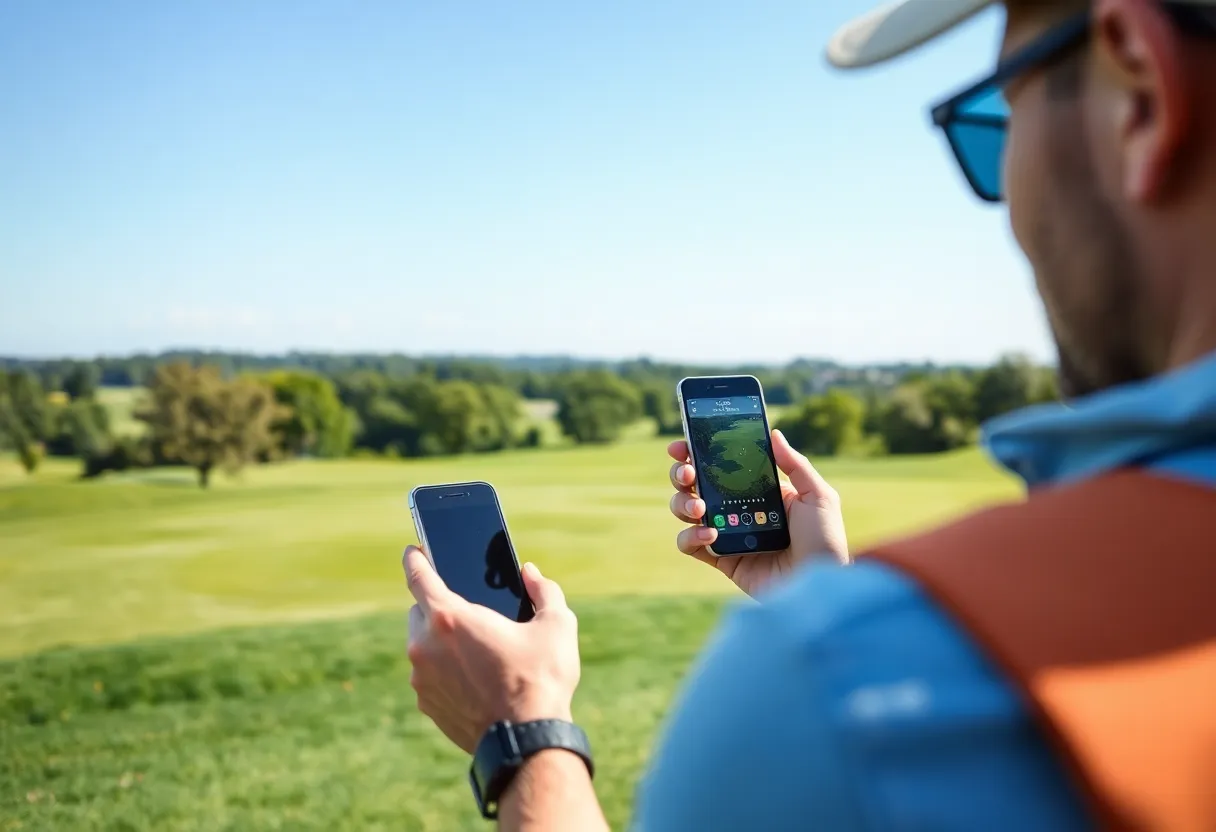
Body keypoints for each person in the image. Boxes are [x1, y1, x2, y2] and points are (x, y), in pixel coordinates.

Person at [403, 0, 1216, 828]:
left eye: (995, 123)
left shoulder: (850, 691)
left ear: (1141, 91)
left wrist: (521, 729)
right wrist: (819, 587)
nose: (1003, 201)